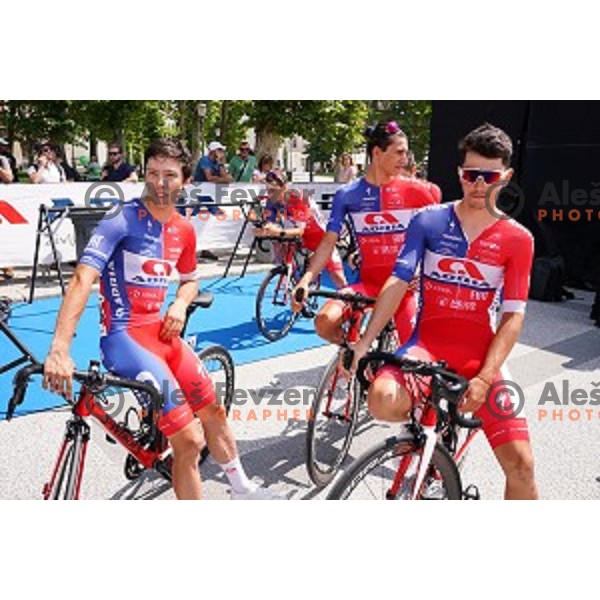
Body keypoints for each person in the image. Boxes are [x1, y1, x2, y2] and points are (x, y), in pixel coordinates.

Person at [43, 138, 276, 500]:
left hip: (163, 336)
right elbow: (82, 279)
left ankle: (243, 489)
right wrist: (60, 348)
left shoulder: (182, 229)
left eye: (170, 175)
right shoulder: (121, 219)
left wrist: (181, 304)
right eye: (153, 173)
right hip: (126, 339)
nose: (160, 182)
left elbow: (190, 280)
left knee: (213, 409)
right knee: (189, 438)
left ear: (184, 179)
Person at [350, 123, 539, 500]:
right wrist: (365, 341)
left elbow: (512, 315)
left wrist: (486, 377)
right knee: (381, 399)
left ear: (507, 177)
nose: (479, 185)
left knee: (522, 466)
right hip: (427, 347)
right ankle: (428, 435)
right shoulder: (430, 220)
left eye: (489, 176)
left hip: (479, 357)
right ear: (459, 174)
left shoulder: (518, 239)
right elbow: (398, 282)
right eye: (470, 175)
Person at [293, 121, 440, 346]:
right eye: (399, 152)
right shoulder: (348, 194)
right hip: (367, 284)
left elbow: (441, 240)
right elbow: (328, 243)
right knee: (323, 322)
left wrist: (423, 271)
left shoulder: (418, 190)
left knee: (412, 359)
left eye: (406, 152)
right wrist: (305, 279)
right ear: (377, 152)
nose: (405, 159)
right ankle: (355, 353)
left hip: (402, 290)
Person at [255, 170, 347, 291]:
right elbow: (268, 222)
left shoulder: (297, 198)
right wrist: (263, 230)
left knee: (338, 279)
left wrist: (278, 232)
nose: (270, 194)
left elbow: (300, 230)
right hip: (302, 236)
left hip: (320, 237)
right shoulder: (271, 200)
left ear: (284, 187)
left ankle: (351, 301)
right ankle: (289, 273)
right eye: (268, 190)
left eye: (273, 190)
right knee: (279, 242)